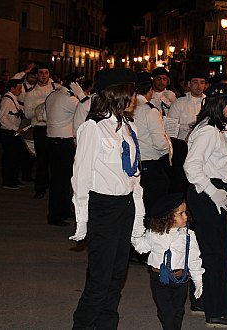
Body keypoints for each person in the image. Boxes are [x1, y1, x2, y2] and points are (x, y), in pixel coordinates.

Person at [69, 68, 146, 329]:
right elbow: (80, 177)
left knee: (116, 277)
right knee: (100, 280)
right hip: (102, 207)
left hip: (125, 207)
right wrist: (82, 221)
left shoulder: (128, 127)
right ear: (117, 94)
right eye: (131, 92)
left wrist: (138, 221)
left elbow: (134, 177)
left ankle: (106, 325)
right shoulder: (93, 129)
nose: (134, 98)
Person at [183, 82, 227, 328]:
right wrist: (213, 191)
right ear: (219, 103)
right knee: (215, 253)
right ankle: (216, 311)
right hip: (207, 191)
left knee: (207, 250)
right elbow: (191, 167)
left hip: (212, 190)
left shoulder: (216, 127)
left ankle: (201, 300)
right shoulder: (208, 130)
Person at [132, 193, 205, 330]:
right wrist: (136, 233)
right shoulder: (154, 234)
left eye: (185, 213)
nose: (186, 217)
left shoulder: (188, 236)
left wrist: (198, 280)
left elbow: (194, 259)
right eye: (181, 213)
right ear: (167, 217)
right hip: (159, 279)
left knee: (178, 310)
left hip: (180, 279)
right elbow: (141, 247)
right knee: (165, 311)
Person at [44, 74, 86, 226]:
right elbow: (88, 109)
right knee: (61, 181)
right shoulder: (69, 99)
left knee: (61, 179)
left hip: (52, 140)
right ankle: (55, 215)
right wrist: (82, 95)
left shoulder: (52, 95)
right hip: (63, 142)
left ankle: (63, 209)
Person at [133, 72, 171, 213]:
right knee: (153, 203)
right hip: (149, 162)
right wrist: (168, 144)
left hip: (133, 162)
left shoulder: (127, 108)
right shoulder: (150, 111)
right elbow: (160, 143)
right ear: (150, 91)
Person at [23, 63, 59, 199]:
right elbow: (27, 114)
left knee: (54, 159)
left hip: (54, 127)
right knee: (42, 160)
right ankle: (40, 189)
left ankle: (53, 186)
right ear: (36, 75)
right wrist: (39, 111)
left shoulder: (56, 88)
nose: (44, 76)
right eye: (41, 73)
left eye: (46, 73)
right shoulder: (31, 93)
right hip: (39, 128)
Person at [0, 78, 26, 189]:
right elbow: (2, 118)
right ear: (12, 88)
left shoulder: (13, 98)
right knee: (9, 158)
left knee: (15, 157)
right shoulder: (7, 100)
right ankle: (8, 181)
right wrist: (15, 128)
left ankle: (14, 179)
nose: (21, 91)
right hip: (8, 133)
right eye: (19, 88)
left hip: (13, 133)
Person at [167, 73, 206, 141]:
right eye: (195, 82)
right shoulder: (178, 103)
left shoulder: (209, 103)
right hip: (182, 143)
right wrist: (188, 127)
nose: (199, 86)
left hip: (204, 142)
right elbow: (170, 127)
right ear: (189, 84)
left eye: (202, 83)